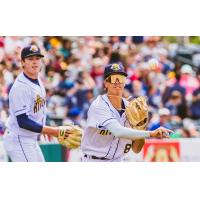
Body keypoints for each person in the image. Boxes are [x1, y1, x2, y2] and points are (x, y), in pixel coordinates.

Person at [81, 63, 173, 162]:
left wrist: (140, 127)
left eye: (120, 79)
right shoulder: (99, 105)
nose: (117, 82)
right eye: (113, 79)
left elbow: (136, 149)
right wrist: (151, 133)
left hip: (119, 160)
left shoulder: (131, 109)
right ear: (106, 83)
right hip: (95, 161)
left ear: (125, 83)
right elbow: (118, 131)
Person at [3, 45, 81, 162]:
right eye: (30, 59)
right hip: (19, 139)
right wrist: (53, 131)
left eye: (37, 58)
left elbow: (37, 110)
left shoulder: (37, 79)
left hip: (29, 138)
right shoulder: (20, 87)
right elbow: (23, 121)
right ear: (23, 62)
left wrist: (43, 129)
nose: (35, 62)